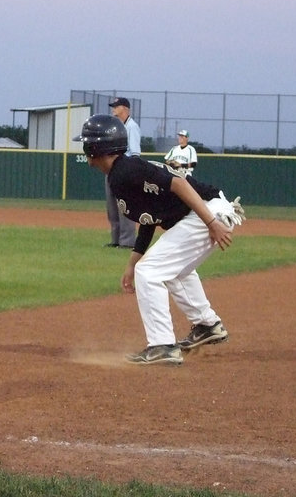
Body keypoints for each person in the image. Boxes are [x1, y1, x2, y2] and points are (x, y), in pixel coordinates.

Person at [74, 114, 244, 365]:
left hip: (208, 212)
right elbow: (148, 219)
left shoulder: (125, 170)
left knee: (150, 272)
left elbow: (179, 184)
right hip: (207, 212)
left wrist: (211, 222)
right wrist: (132, 263)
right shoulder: (121, 172)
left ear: (95, 148)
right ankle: (207, 325)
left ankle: (162, 346)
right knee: (169, 270)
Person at [104, 97, 141, 248]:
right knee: (112, 207)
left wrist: (131, 172)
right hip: (111, 168)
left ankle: (127, 242)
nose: (113, 109)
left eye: (116, 106)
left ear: (125, 109)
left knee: (124, 206)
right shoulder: (115, 126)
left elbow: (135, 153)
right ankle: (116, 240)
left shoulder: (132, 127)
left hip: (124, 169)